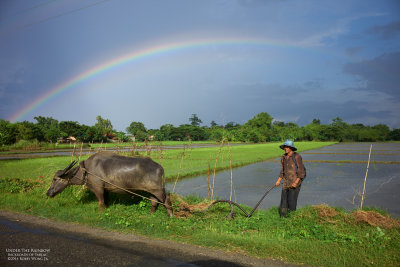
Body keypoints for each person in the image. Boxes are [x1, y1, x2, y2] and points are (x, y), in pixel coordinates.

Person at [274, 139, 306, 217]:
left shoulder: (297, 156)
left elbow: (301, 171)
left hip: (295, 182)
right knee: (283, 201)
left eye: (287, 147)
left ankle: (292, 217)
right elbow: (282, 171)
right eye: (285, 147)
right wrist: (278, 181)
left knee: (292, 201)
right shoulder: (283, 157)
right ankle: (283, 217)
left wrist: (295, 183)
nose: (285, 148)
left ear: (291, 148)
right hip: (285, 182)